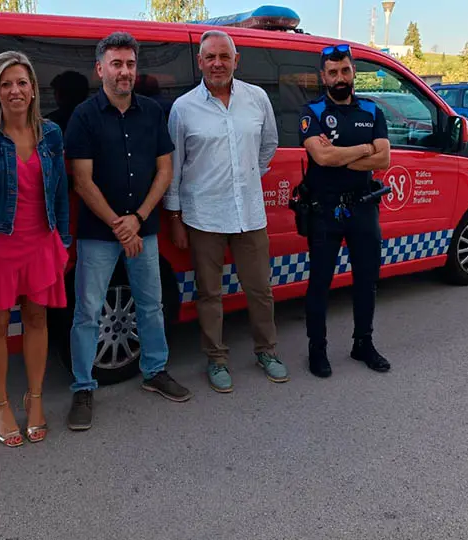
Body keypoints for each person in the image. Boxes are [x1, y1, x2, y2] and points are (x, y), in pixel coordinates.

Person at [64, 31, 192, 431]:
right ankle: (83, 386)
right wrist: (122, 226)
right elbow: (82, 181)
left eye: (131, 64)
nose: (124, 72)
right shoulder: (84, 116)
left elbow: (165, 170)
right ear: (100, 68)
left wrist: (137, 219)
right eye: (116, 64)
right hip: (99, 234)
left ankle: (155, 371)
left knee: (151, 305)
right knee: (87, 313)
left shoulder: (153, 112)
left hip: (144, 228)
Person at [0, 51, 71, 447]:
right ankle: (1, 403)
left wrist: (64, 240)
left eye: (22, 82)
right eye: (6, 84)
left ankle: (35, 397)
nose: (15, 90)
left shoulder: (52, 134)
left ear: (34, 88)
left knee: (38, 318)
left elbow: (61, 192)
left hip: (40, 239)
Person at [165, 30, 286, 393]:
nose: (217, 63)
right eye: (210, 57)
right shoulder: (183, 108)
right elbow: (175, 164)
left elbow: (269, 145)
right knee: (209, 293)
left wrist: (246, 176)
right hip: (204, 216)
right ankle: (216, 359)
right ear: (200, 62)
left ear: (237, 60)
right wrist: (174, 216)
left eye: (224, 56)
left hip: (249, 212)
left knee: (260, 289)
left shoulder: (258, 98)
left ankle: (267, 351)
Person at [298, 43, 392, 378]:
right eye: (333, 72)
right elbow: (322, 158)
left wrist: (344, 153)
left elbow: (384, 158)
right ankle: (317, 349)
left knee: (367, 281)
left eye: (346, 70)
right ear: (323, 76)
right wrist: (365, 150)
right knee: (320, 283)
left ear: (354, 73)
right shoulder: (313, 112)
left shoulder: (371, 110)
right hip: (325, 211)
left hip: (364, 210)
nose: (340, 77)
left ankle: (362, 343)